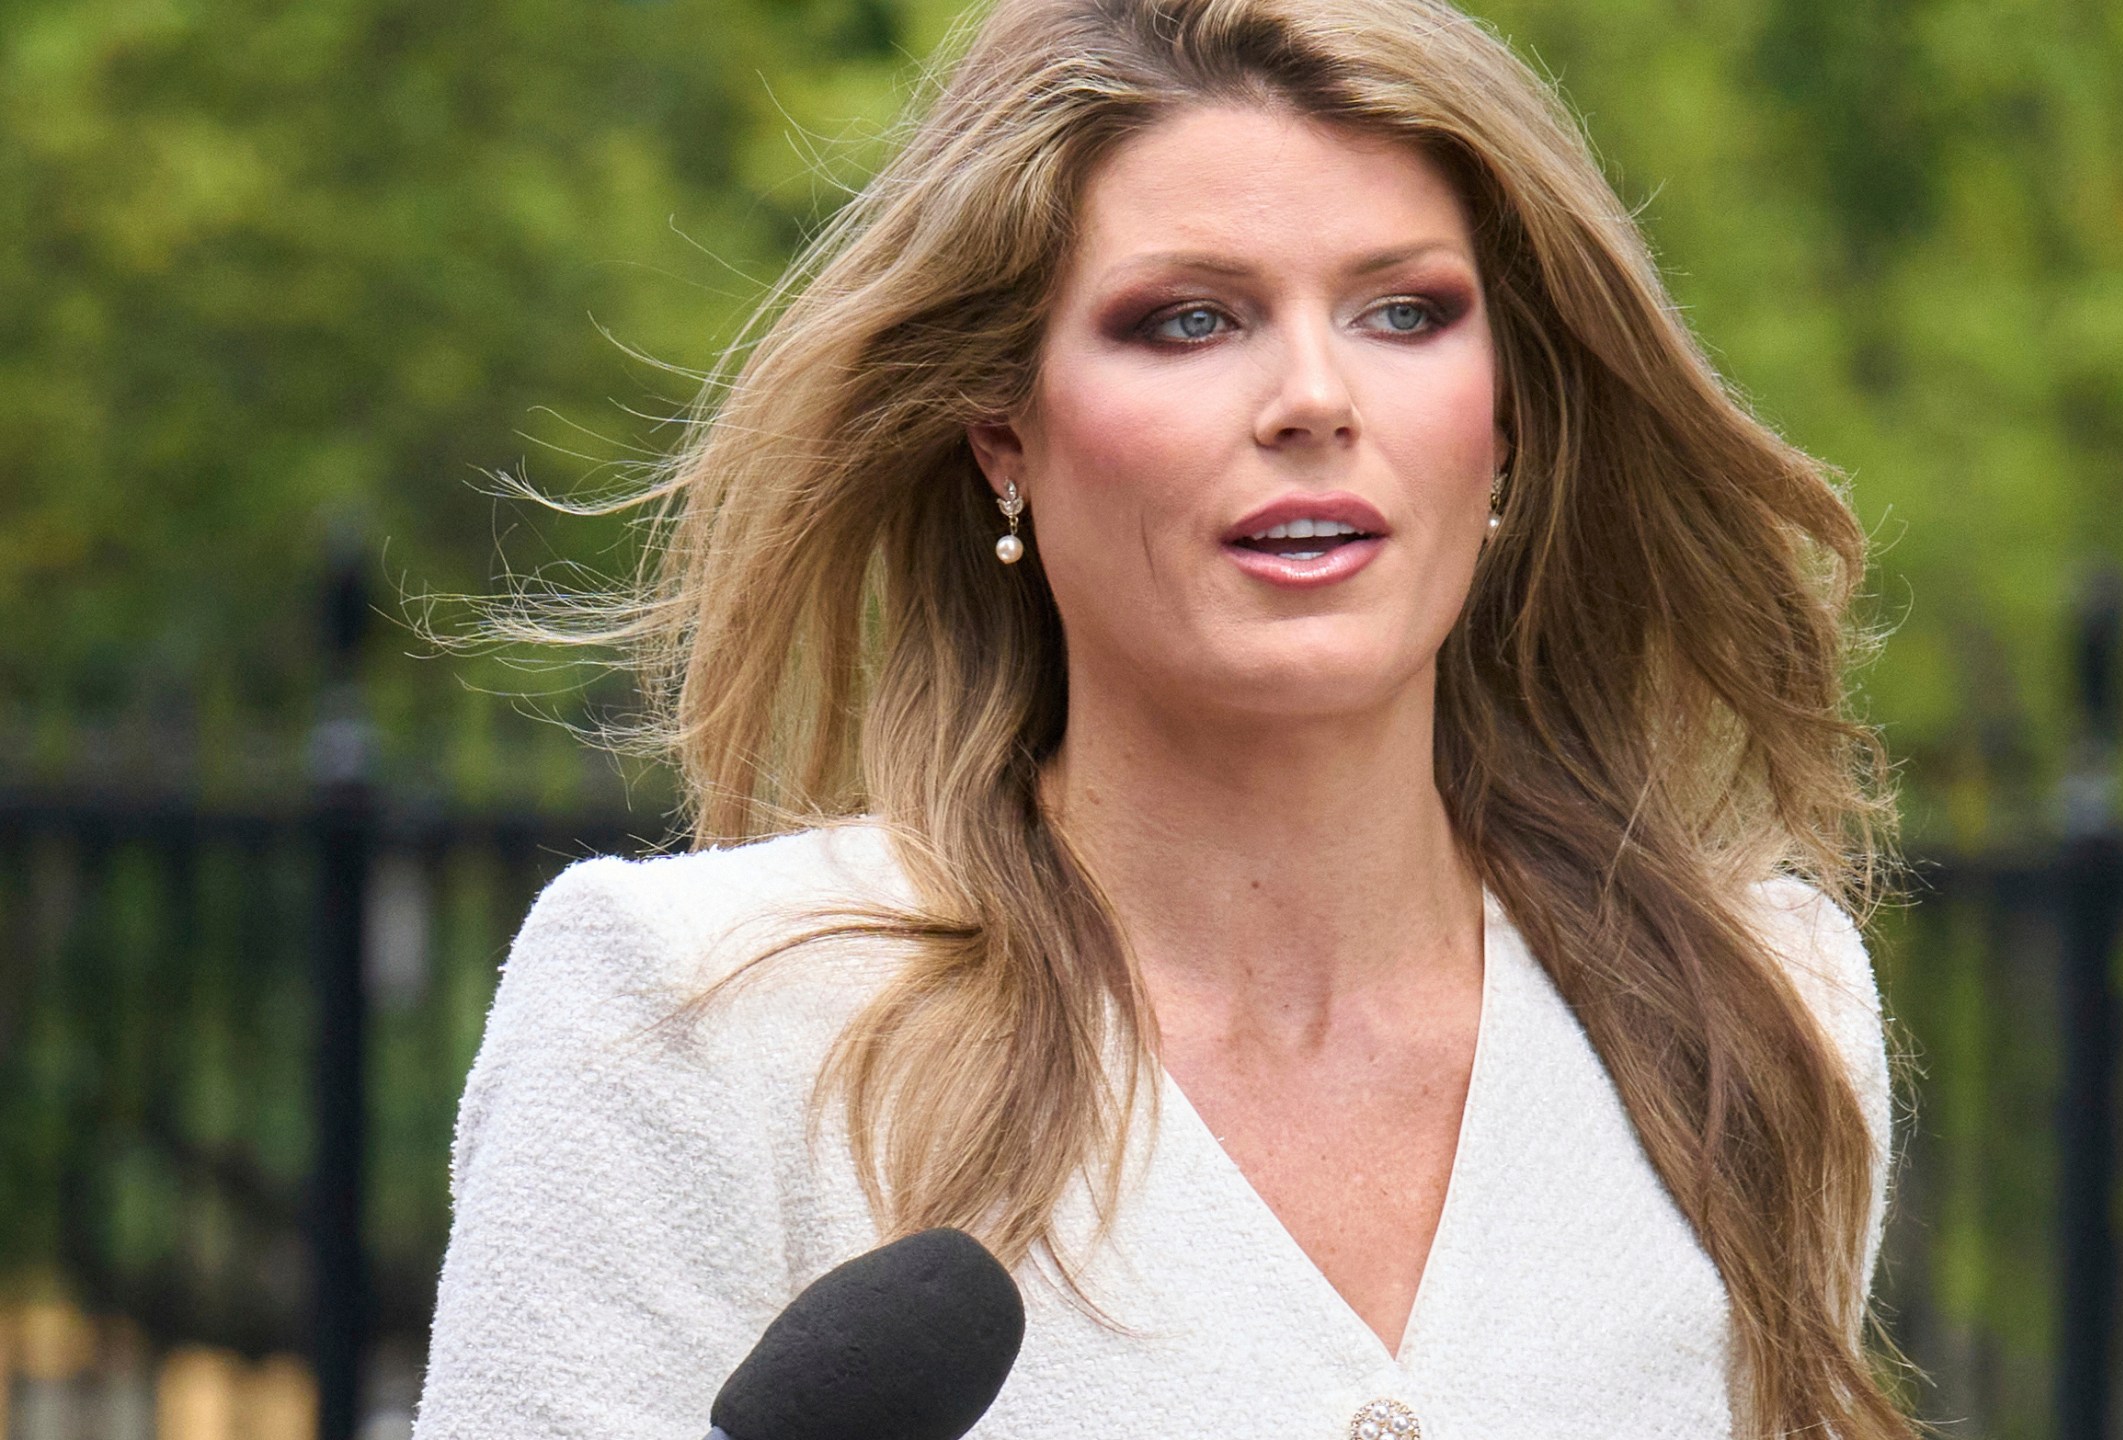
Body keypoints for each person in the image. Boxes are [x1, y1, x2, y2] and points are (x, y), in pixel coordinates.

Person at [413, 1, 1912, 1437]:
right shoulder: (699, 1022)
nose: (1315, 397)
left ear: (1506, 414)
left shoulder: (1758, 1012)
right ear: (1005, 433)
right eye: (1190, 321)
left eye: (1405, 312)